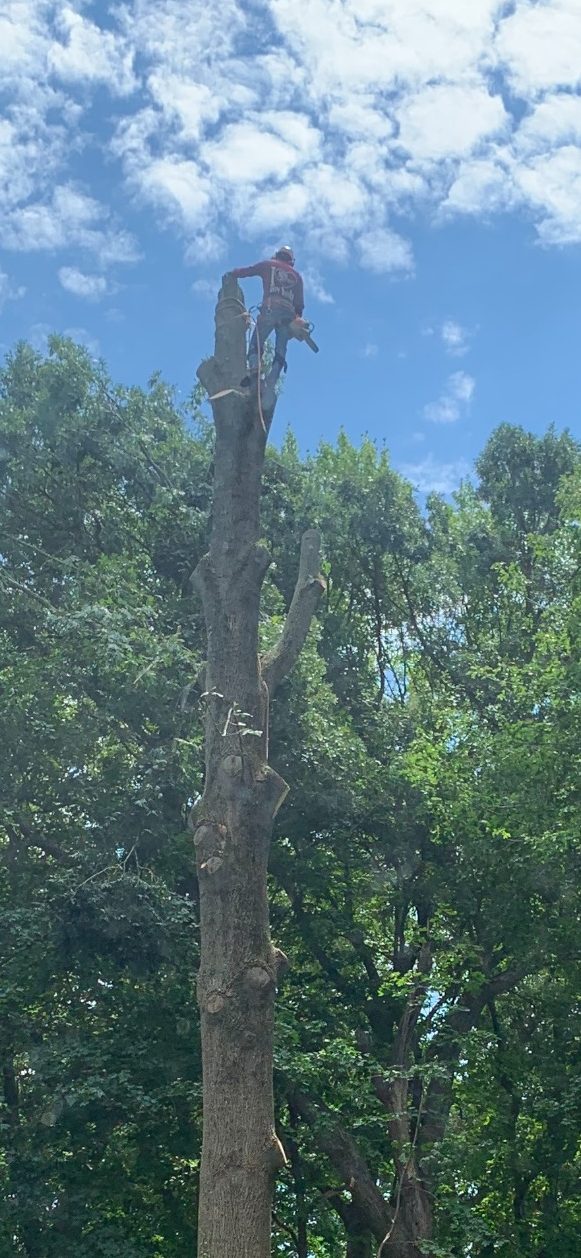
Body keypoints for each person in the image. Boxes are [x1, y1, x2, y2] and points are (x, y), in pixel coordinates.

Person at [229, 246, 305, 387]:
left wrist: (233, 274)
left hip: (270, 311)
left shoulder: (268, 265)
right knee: (280, 350)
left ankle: (254, 373)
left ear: (277, 255)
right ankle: (272, 380)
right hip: (287, 317)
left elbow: (248, 271)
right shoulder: (297, 277)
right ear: (291, 260)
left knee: (256, 343)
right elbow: (299, 306)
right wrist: (296, 325)